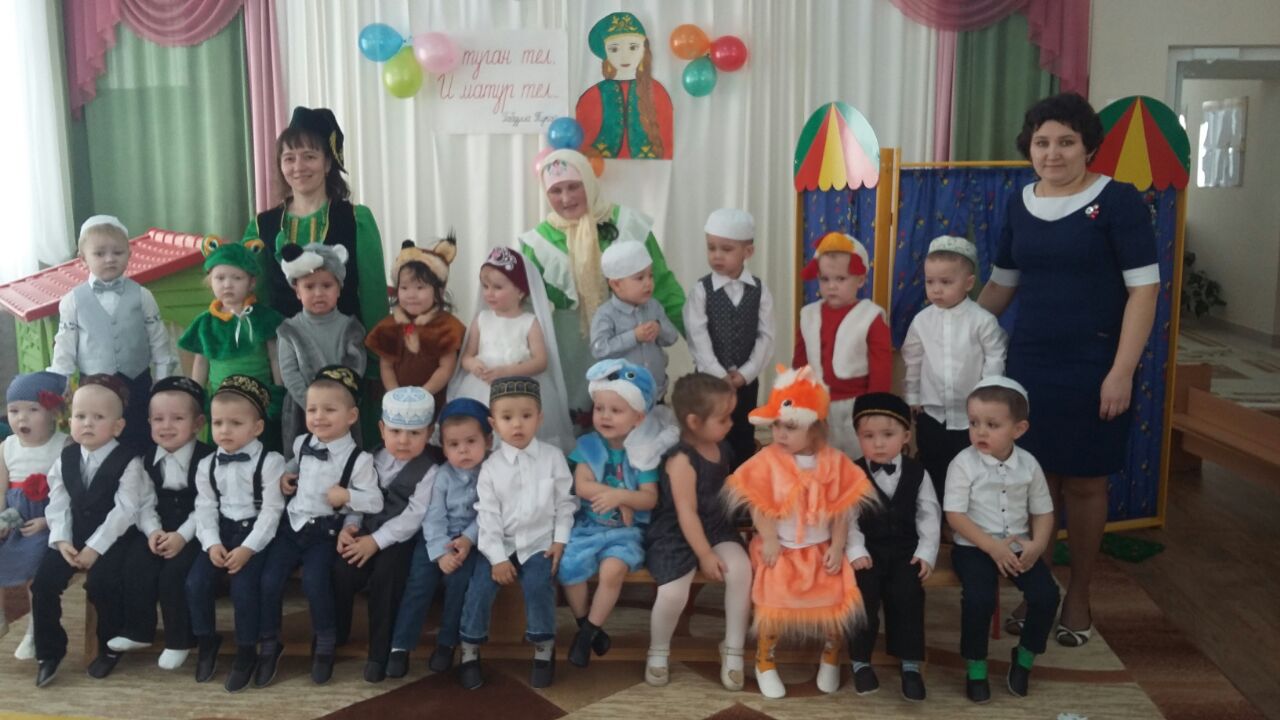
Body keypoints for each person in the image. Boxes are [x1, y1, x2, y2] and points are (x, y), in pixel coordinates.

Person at [979, 92, 1159, 647]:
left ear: (1088, 147)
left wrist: (1121, 371)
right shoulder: (1019, 204)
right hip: (1030, 364)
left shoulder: (1119, 201)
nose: (1052, 153)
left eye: (1065, 142)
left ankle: (1079, 594)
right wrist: (948, 331)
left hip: (1095, 365)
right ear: (1028, 148)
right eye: (1041, 142)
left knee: (1083, 483)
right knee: (1033, 483)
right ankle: (1040, 591)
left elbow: (1144, 290)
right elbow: (1001, 285)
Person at [725, 366, 873, 699]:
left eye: (790, 427)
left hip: (821, 548)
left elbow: (842, 509)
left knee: (836, 599)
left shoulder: (834, 462)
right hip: (780, 547)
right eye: (776, 425)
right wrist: (770, 538)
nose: (780, 434)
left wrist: (838, 545)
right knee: (773, 602)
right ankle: (765, 660)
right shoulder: (767, 459)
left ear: (816, 427)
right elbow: (758, 504)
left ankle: (831, 654)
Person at [519, 149, 685, 425]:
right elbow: (525, 304)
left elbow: (662, 284)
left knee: (630, 411)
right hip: (571, 344)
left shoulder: (627, 224)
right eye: (556, 191)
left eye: (574, 186)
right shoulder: (538, 241)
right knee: (582, 417)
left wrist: (700, 341)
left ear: (589, 181)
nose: (566, 198)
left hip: (631, 337)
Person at [261, 366, 381, 687]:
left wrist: (348, 496)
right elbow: (293, 466)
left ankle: (325, 641)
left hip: (325, 532)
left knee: (316, 582)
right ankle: (270, 641)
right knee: (270, 580)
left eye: (329, 410)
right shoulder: (302, 442)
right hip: (292, 526)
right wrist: (285, 477)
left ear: (351, 416)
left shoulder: (359, 459)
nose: (319, 417)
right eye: (312, 409)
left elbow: (375, 501)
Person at [944, 377, 1059, 702]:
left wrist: (1037, 545)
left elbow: (1044, 512)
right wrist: (992, 547)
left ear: (1018, 429)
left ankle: (1024, 658)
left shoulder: (1029, 465)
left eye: (992, 425)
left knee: (1046, 595)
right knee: (979, 599)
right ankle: (976, 666)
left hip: (1017, 546)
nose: (980, 432)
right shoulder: (963, 464)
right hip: (974, 547)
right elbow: (955, 516)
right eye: (974, 423)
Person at [457, 377, 575, 690]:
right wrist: (497, 558)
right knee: (480, 587)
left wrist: (560, 540)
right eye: (507, 417)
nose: (517, 424)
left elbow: (565, 503)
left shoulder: (553, 457)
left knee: (538, 585)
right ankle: (469, 649)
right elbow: (487, 516)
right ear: (493, 423)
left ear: (540, 417)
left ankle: (543, 648)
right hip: (499, 544)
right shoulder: (491, 467)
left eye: (526, 415)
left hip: (539, 542)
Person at [30, 376, 145, 687]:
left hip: (113, 538)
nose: (87, 423)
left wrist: (95, 547)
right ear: (70, 422)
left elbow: (126, 510)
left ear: (118, 426)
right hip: (71, 537)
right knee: (43, 584)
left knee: (103, 584)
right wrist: (62, 540)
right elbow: (58, 501)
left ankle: (109, 645)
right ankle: (48, 652)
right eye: (80, 416)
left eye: (98, 417)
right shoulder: (65, 458)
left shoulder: (129, 461)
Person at [643, 373, 751, 691]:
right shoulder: (681, 459)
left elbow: (724, 491)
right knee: (673, 592)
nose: (730, 423)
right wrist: (704, 554)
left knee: (741, 570)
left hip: (715, 524)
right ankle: (658, 650)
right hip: (676, 531)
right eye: (723, 418)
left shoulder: (722, 448)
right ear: (693, 421)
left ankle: (733, 647)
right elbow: (686, 511)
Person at [247, 106, 388, 336]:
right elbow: (255, 297)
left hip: (345, 348)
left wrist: (377, 353)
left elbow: (374, 297)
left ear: (328, 163)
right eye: (289, 158)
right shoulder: (262, 226)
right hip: (284, 351)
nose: (298, 167)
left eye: (309, 157)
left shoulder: (356, 219)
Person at [332, 386, 439, 683]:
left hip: (398, 540)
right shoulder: (368, 458)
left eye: (414, 433)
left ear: (429, 433)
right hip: (365, 530)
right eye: (395, 431)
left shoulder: (430, 470)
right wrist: (349, 526)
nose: (403, 440)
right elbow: (357, 498)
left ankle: (380, 654)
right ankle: (335, 633)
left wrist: (376, 542)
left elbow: (414, 517)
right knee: (340, 569)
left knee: (387, 578)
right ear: (382, 429)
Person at [186, 375, 286, 692]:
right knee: (196, 582)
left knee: (244, 588)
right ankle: (207, 641)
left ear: (257, 427)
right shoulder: (206, 464)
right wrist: (212, 543)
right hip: (221, 531)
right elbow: (205, 507)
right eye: (218, 423)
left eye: (235, 423)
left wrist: (248, 549)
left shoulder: (271, 462)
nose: (224, 431)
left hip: (255, 534)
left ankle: (246, 650)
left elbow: (271, 511)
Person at [559, 359, 662, 668]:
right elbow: (582, 486)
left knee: (612, 571)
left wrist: (622, 497)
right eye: (600, 408)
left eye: (616, 410)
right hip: (588, 526)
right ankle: (585, 626)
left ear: (638, 417)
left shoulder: (644, 453)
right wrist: (623, 499)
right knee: (569, 565)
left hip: (625, 532)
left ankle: (587, 633)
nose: (604, 416)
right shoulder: (588, 444)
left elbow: (650, 498)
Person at [109, 377, 214, 671]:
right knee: (136, 563)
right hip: (157, 526)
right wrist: (153, 531)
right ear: (149, 423)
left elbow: (207, 506)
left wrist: (181, 536)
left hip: (197, 529)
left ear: (198, 423)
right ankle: (138, 630)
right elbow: (143, 503)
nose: (166, 426)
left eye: (177, 418)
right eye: (158, 419)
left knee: (174, 574)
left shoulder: (209, 459)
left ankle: (180, 640)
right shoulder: (144, 460)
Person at [49, 216, 178, 449]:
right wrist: (61, 381)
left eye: (118, 252)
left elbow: (158, 339)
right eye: (99, 254)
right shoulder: (72, 301)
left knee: (140, 434)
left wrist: (162, 378)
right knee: (98, 437)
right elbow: (65, 344)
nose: (109, 259)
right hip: (94, 385)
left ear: (129, 254)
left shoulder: (143, 296)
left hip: (138, 382)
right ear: (83, 258)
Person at [845, 392, 940, 702]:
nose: (879, 444)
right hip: (868, 551)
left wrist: (925, 552)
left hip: (904, 551)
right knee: (862, 597)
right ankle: (860, 661)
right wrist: (856, 550)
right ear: (858, 437)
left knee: (908, 594)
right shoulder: (853, 474)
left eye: (888, 435)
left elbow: (928, 515)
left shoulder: (918, 472)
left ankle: (910, 663)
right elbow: (847, 518)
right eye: (868, 436)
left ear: (906, 436)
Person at [387, 398, 491, 679]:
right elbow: (433, 516)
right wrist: (440, 552)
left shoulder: (491, 474)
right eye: (454, 445)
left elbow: (489, 513)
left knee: (459, 583)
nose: (463, 450)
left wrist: (467, 539)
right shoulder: (442, 476)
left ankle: (447, 643)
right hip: (435, 538)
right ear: (443, 448)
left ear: (488, 441)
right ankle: (400, 645)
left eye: (471, 442)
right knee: (418, 584)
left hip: (471, 542)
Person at [902, 235, 1007, 502]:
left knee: (970, 471)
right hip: (932, 413)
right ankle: (936, 517)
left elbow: (995, 358)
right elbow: (913, 360)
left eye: (946, 282)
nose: (936, 290)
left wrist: (986, 400)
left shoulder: (982, 321)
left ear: (968, 283)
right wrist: (913, 397)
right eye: (930, 282)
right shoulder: (922, 321)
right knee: (933, 467)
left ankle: (967, 518)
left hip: (971, 417)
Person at [447, 247, 573, 451]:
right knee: (483, 430)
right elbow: (467, 356)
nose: (489, 293)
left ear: (520, 291)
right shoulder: (482, 319)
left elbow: (540, 361)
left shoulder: (529, 322)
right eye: (485, 286)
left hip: (520, 390)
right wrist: (474, 365)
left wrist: (507, 372)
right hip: (482, 387)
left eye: (497, 287)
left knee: (519, 430)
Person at [683, 209, 774, 469]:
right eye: (711, 248)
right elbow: (697, 335)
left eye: (726, 249)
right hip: (709, 381)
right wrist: (717, 373)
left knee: (742, 433)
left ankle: (742, 481)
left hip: (745, 382)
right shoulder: (701, 290)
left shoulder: (759, 290)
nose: (717, 255)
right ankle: (709, 481)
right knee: (709, 435)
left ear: (748, 252)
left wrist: (745, 374)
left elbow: (766, 336)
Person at [178, 240, 285, 452]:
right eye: (220, 278)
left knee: (262, 447)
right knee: (223, 447)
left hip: (260, 401)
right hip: (221, 404)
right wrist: (196, 394)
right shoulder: (205, 323)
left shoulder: (264, 318)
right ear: (210, 281)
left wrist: (280, 391)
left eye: (237, 278)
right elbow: (201, 363)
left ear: (251, 282)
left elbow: (275, 356)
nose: (227, 284)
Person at [792, 233, 891, 458]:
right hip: (818, 405)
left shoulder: (870, 316)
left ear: (860, 279)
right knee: (820, 457)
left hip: (857, 404)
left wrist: (874, 408)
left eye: (841, 279)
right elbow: (800, 362)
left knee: (859, 457)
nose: (832, 286)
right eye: (825, 279)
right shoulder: (808, 314)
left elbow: (881, 367)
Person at [0, 372, 69, 661]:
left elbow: (70, 494)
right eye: (14, 411)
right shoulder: (7, 446)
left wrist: (47, 521)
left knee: (35, 575)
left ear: (53, 412)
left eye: (32, 410)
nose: (21, 418)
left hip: (45, 521)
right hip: (13, 518)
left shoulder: (64, 445)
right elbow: (1, 487)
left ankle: (34, 630)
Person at [276, 242, 367, 456]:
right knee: (303, 459)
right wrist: (314, 407)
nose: (318, 293)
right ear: (297, 291)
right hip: (302, 410)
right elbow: (289, 374)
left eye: (326, 286)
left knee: (344, 458)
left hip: (341, 408)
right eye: (309, 287)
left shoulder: (351, 328)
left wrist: (336, 406)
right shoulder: (289, 330)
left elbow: (355, 368)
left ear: (339, 288)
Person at [365, 238, 466, 414]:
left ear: (439, 291)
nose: (411, 294)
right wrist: (396, 395)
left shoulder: (445, 326)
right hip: (398, 403)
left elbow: (446, 368)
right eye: (404, 288)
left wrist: (422, 395)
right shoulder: (389, 326)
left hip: (435, 400)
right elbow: (386, 366)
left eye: (420, 288)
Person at [575, 11, 674, 160]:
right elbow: (582, 147)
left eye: (633, 47)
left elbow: (667, 148)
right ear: (605, 53)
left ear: (644, 48)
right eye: (614, 49)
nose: (624, 57)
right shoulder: (591, 96)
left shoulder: (658, 92)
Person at [590, 241, 679, 400]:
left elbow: (672, 337)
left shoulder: (654, 307)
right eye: (639, 278)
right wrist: (634, 337)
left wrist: (659, 329)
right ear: (616, 285)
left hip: (657, 391)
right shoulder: (605, 314)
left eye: (650, 276)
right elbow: (599, 350)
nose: (648, 283)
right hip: (624, 397)